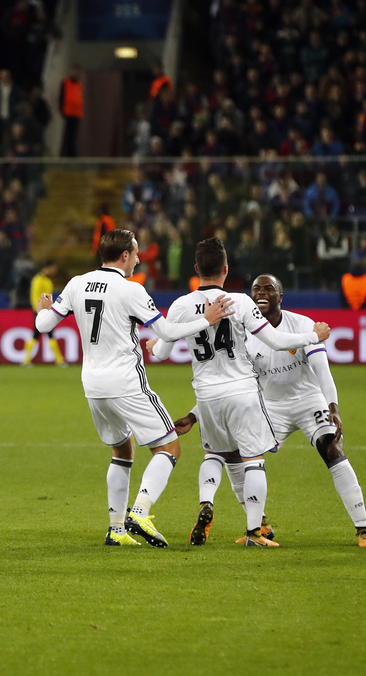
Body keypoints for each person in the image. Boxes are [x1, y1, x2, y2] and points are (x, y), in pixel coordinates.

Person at [33, 229, 233, 547]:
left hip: (93, 385)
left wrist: (44, 308)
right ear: (124, 256)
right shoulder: (130, 290)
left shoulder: (76, 283)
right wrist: (206, 320)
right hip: (126, 382)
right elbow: (165, 331)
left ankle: (116, 530)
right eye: (136, 253)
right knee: (169, 447)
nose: (138, 259)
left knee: (122, 451)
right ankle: (139, 512)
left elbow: (43, 325)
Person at [146, 241, 331, 547]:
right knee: (253, 460)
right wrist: (314, 335)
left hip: (206, 394)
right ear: (226, 269)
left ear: (196, 270)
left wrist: (154, 346)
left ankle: (207, 501)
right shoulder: (239, 302)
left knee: (214, 454)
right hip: (242, 390)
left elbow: (163, 350)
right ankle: (255, 533)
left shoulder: (179, 306)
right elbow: (274, 339)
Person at [253, 274, 366, 545]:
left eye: (268, 288)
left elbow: (323, 370)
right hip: (272, 405)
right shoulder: (245, 333)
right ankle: (258, 526)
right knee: (244, 455)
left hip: (309, 399)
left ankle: (363, 529)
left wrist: (333, 407)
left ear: (280, 297)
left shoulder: (302, 325)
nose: (261, 293)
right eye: (256, 289)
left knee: (331, 447)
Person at [23, 260, 66, 366]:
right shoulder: (38, 280)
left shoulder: (46, 281)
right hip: (41, 311)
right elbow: (35, 296)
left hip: (45, 311)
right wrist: (39, 311)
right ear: (48, 267)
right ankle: (59, 360)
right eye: (53, 268)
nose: (54, 271)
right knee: (45, 334)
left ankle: (27, 360)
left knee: (37, 335)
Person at [60, 64, 83, 157]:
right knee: (67, 135)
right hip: (68, 113)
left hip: (76, 113)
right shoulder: (66, 82)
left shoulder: (79, 83)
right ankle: (66, 154)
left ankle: (71, 153)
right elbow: (61, 97)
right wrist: (62, 110)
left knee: (73, 136)